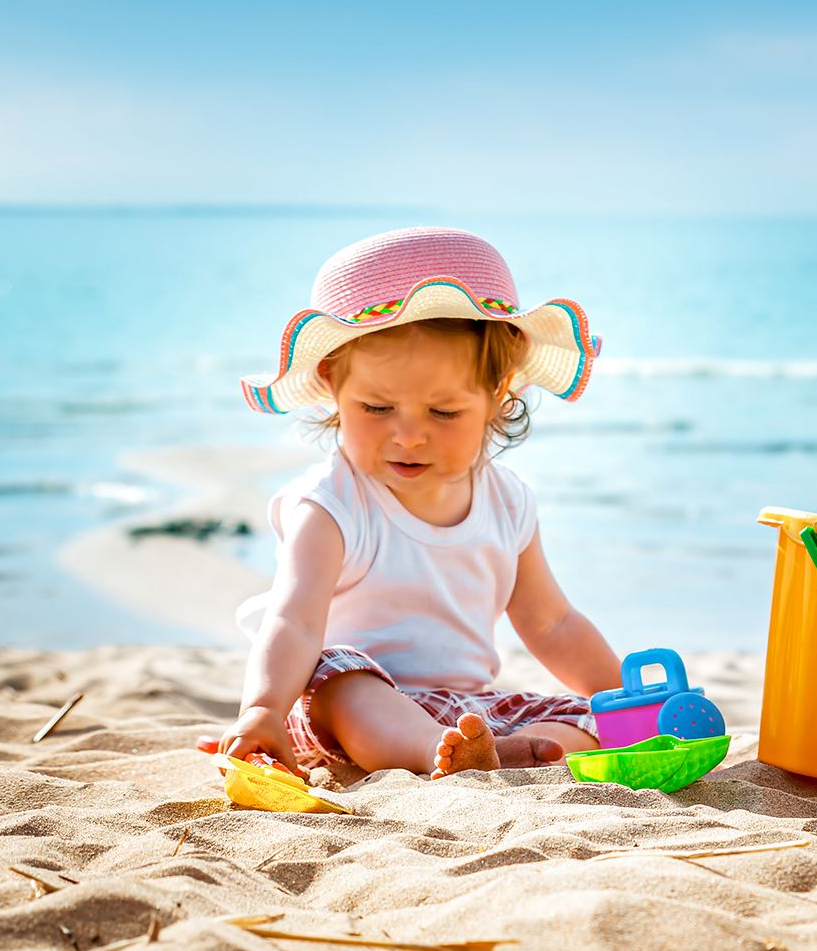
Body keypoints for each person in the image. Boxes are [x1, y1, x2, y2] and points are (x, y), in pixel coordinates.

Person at [209, 226, 613, 777]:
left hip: (468, 710)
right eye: (376, 408)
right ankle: (433, 754)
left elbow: (553, 624)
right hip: (348, 702)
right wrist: (263, 708)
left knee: (584, 719)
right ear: (331, 382)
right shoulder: (330, 505)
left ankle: (502, 754)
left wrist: (622, 695)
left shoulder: (509, 501)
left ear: (501, 392)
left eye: (443, 413)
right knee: (342, 676)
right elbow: (296, 623)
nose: (408, 436)